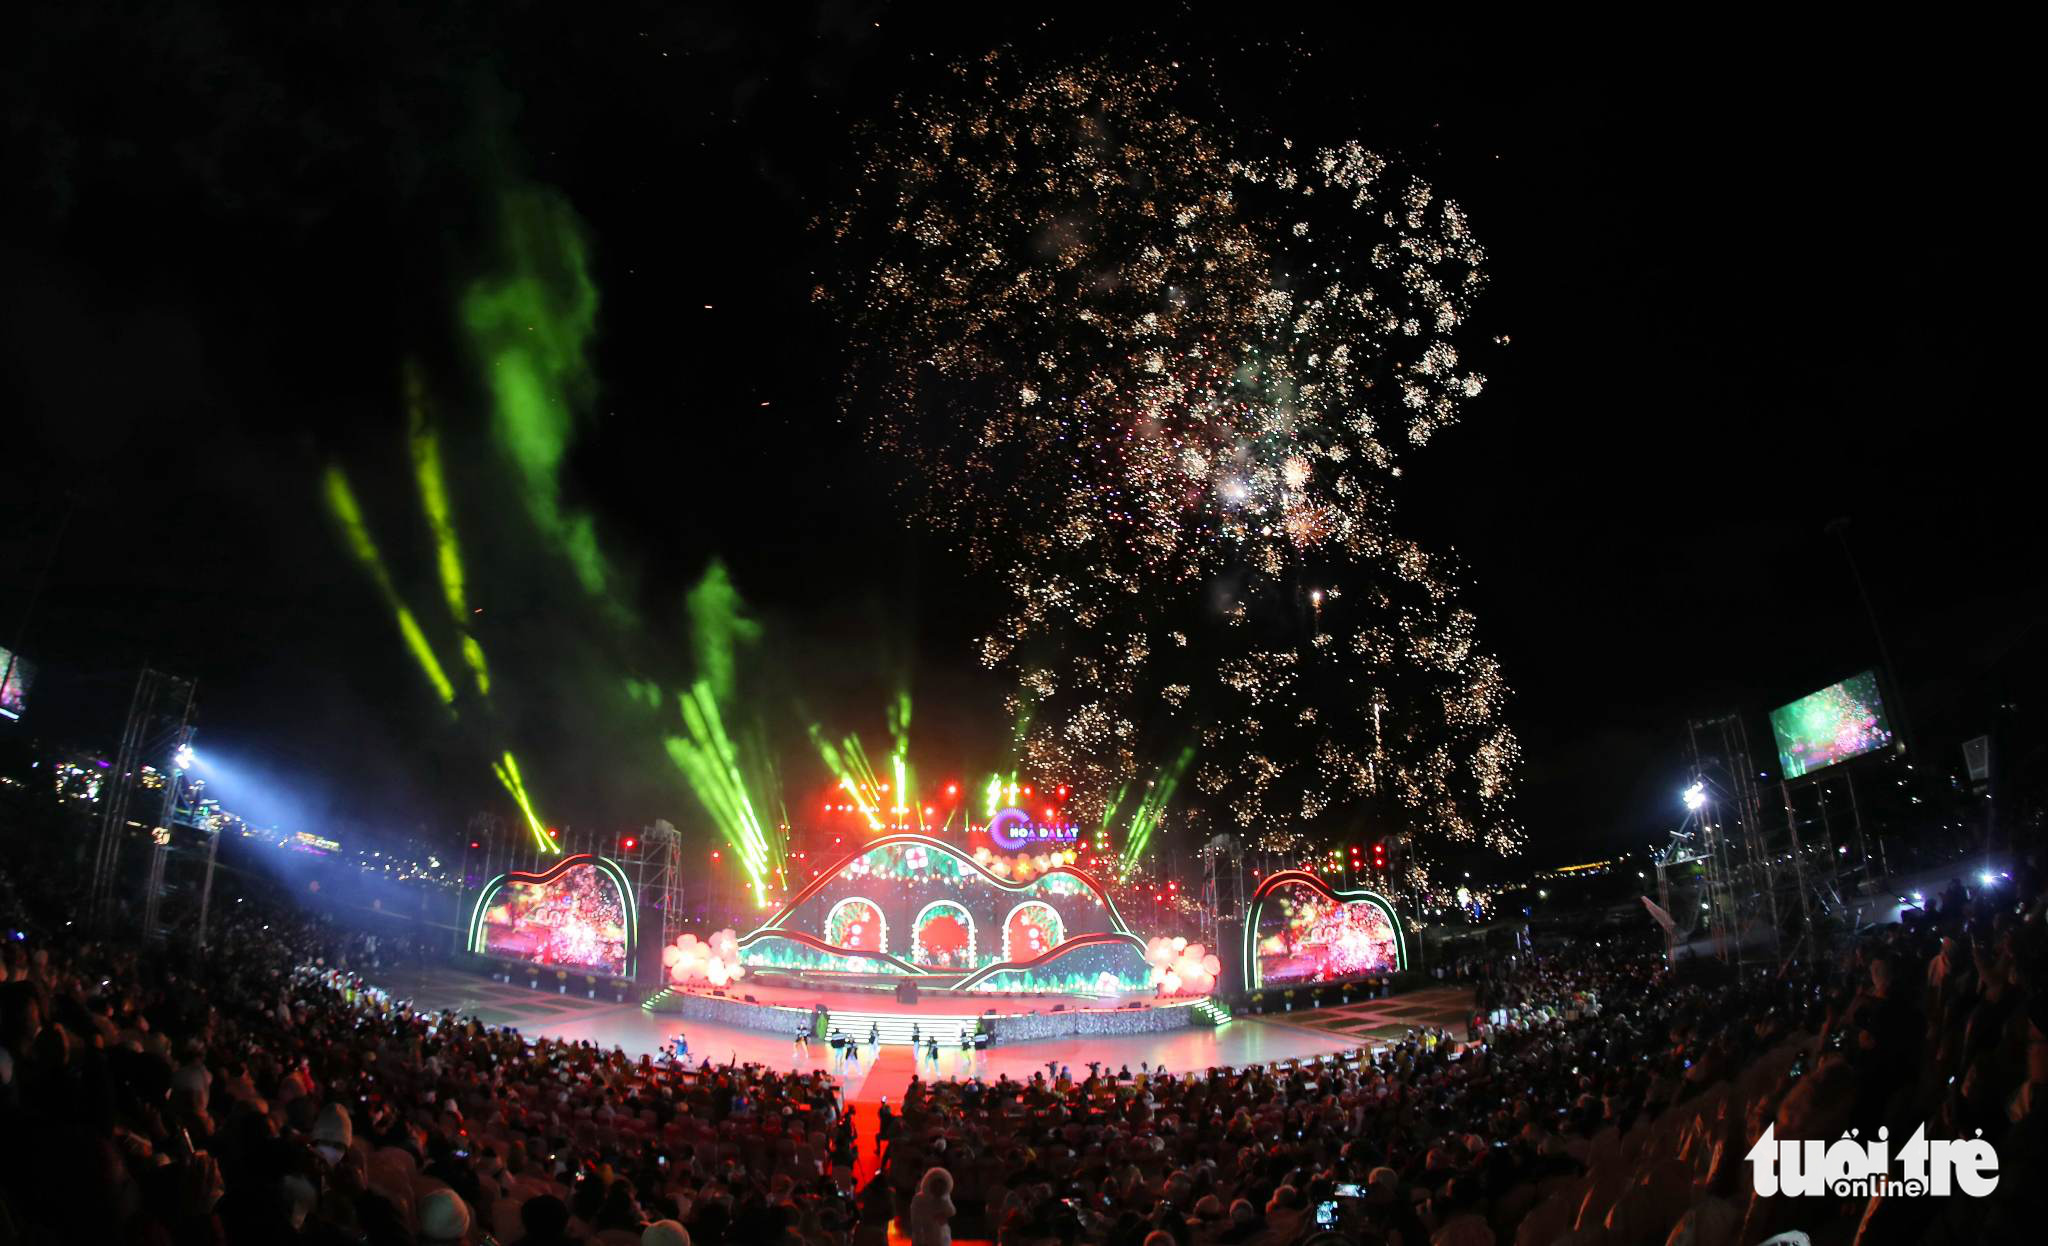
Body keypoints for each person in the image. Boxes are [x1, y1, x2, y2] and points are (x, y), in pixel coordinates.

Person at [908, 1166, 956, 1246]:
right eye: (936, 1185)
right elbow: (916, 1222)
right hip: (925, 1238)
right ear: (930, 1183)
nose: (939, 1188)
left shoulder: (944, 1198)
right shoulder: (920, 1199)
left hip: (941, 1238)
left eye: (941, 1185)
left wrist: (944, 1203)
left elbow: (951, 1211)